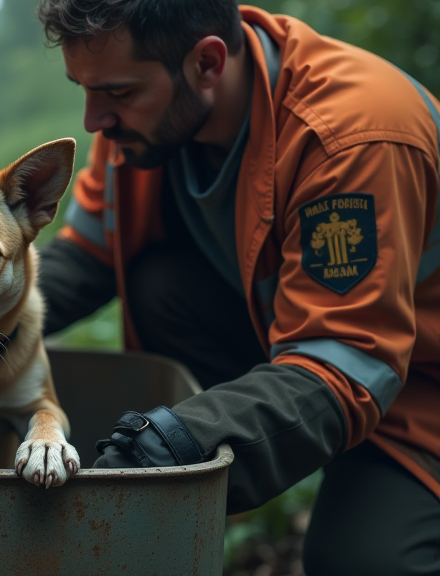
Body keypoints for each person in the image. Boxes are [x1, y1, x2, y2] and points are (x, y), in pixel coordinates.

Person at [34, 0, 440, 573]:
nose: (92, 119)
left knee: (362, 561)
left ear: (207, 62)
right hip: (289, 337)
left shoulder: (349, 138)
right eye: (83, 87)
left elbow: (347, 362)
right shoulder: (144, 122)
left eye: (118, 93)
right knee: (159, 284)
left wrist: (176, 444)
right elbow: (85, 256)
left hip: (415, 386)